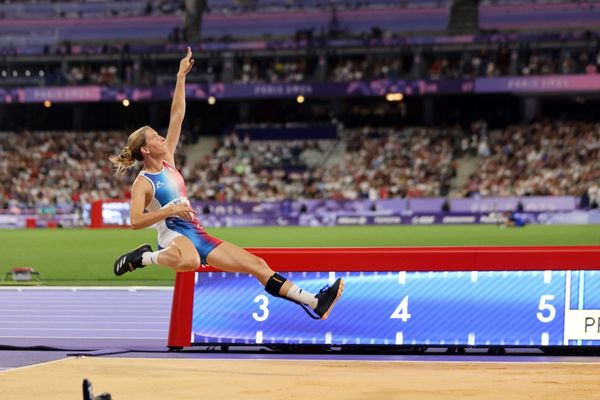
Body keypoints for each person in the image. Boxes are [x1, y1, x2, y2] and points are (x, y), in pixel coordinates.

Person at [109, 48, 343, 320]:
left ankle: (314, 302)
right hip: (173, 235)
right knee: (191, 261)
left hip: (199, 235)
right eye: (155, 138)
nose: (162, 138)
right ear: (146, 151)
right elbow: (135, 221)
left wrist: (180, 78)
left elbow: (177, 115)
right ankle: (143, 258)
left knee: (256, 264)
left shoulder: (169, 159)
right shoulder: (143, 183)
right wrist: (170, 211)